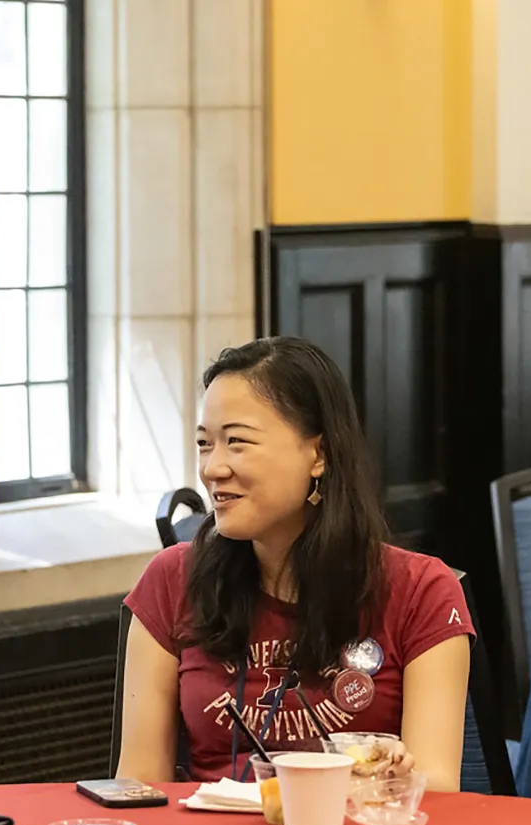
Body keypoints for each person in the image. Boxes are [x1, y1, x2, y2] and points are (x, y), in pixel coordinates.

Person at [117, 337, 474, 791]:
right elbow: (138, 785)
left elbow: (437, 789)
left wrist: (397, 778)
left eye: (237, 443)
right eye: (205, 444)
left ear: (318, 455)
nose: (212, 468)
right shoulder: (172, 580)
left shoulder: (422, 590)